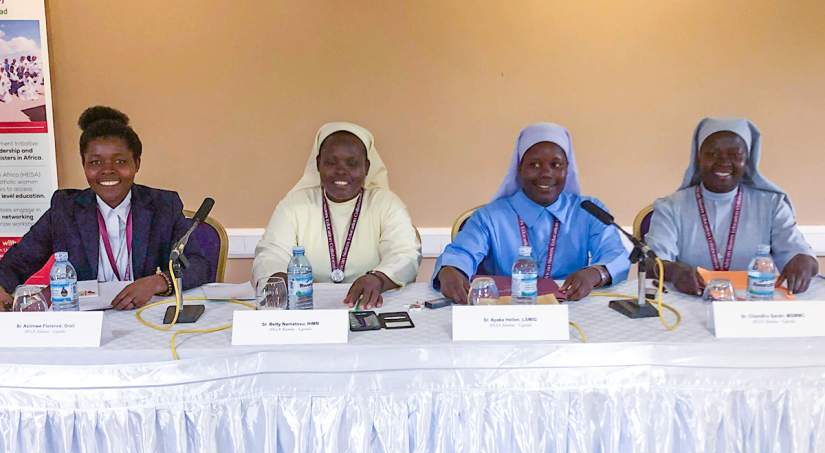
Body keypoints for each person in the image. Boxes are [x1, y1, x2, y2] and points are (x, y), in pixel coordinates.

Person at [0, 106, 211, 311]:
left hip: (144, 315)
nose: (107, 170)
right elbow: (17, 262)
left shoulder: (163, 205)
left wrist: (158, 282)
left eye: (120, 161)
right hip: (84, 319)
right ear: (84, 165)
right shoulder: (65, 208)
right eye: (95, 162)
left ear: (137, 164)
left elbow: (198, 264)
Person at [433, 122, 630, 303]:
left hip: (570, 309)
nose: (546, 173)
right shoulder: (491, 217)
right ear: (519, 169)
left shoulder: (588, 211)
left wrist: (596, 273)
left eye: (556, 165)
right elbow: (462, 253)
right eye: (534, 165)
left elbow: (615, 254)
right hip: (507, 314)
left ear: (567, 170)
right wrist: (451, 270)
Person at [252, 122, 421, 309]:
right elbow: (271, 252)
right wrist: (276, 276)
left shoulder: (386, 204)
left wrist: (379, 278)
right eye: (331, 162)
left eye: (352, 163)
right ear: (318, 164)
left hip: (369, 306)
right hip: (307, 307)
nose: (341, 171)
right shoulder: (294, 205)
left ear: (366, 166)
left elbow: (404, 253)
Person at [645, 117, 818, 295]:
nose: (723, 161)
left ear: (747, 160)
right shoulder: (671, 207)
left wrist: (803, 261)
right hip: (688, 303)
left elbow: (800, 253)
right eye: (712, 154)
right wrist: (674, 272)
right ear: (698, 158)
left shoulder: (772, 206)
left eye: (735, 155)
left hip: (754, 305)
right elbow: (652, 263)